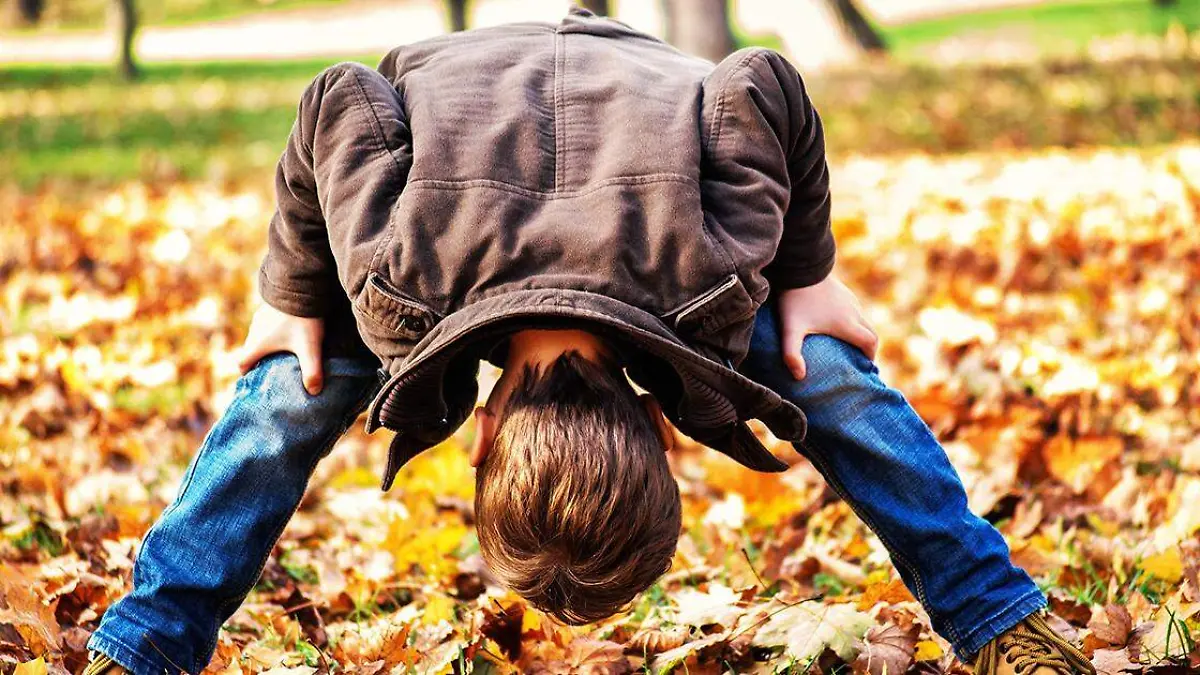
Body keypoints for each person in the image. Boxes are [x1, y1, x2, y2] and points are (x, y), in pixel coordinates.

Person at [84, 9, 1094, 675]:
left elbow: (763, 85)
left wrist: (803, 279)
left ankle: (997, 615)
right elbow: (338, 98)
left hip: (602, 114)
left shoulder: (709, 278)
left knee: (814, 363)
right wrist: (294, 297)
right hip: (510, 122)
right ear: (485, 439)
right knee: (291, 378)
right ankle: (144, 644)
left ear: (653, 429)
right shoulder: (396, 283)